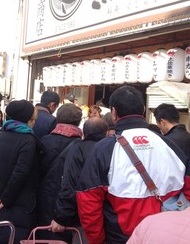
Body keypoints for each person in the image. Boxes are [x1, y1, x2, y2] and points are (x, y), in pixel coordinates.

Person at [76, 85, 190, 244]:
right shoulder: (170, 146)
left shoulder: (103, 150)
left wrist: (97, 240)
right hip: (166, 236)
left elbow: (88, 202)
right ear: (143, 110)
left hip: (120, 237)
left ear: (114, 113)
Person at [0, 99, 39, 244]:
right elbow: (20, 174)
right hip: (17, 205)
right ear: (29, 118)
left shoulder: (1, 136)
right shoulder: (29, 140)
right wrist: (5, 200)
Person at [50, 117, 108, 237]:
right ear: (106, 132)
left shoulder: (78, 149)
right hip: (109, 213)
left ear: (84, 133)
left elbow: (70, 183)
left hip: (83, 213)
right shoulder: (112, 148)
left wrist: (61, 217)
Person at [37, 103, 83, 242]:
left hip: (42, 200)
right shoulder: (80, 146)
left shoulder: (44, 141)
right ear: (79, 122)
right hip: (67, 206)